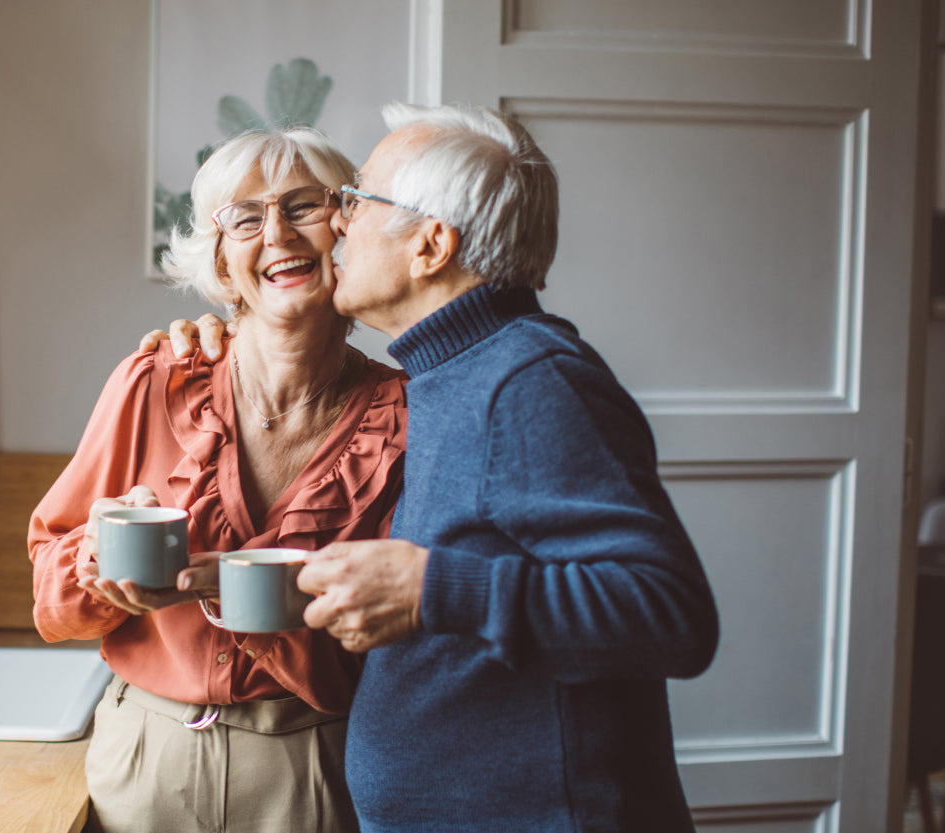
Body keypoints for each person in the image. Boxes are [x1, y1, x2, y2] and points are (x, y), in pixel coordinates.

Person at [150, 102, 720, 833]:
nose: (339, 222)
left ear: (431, 246)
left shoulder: (531, 382)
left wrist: (428, 589)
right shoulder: (452, 374)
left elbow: (672, 613)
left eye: (357, 200)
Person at [29, 126, 408, 833]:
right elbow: (48, 593)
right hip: (146, 759)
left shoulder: (408, 417)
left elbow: (409, 642)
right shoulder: (152, 380)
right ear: (223, 262)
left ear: (346, 231)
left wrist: (284, 605)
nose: (277, 233)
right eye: (245, 217)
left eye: (302, 206)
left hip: (318, 766)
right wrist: (95, 565)